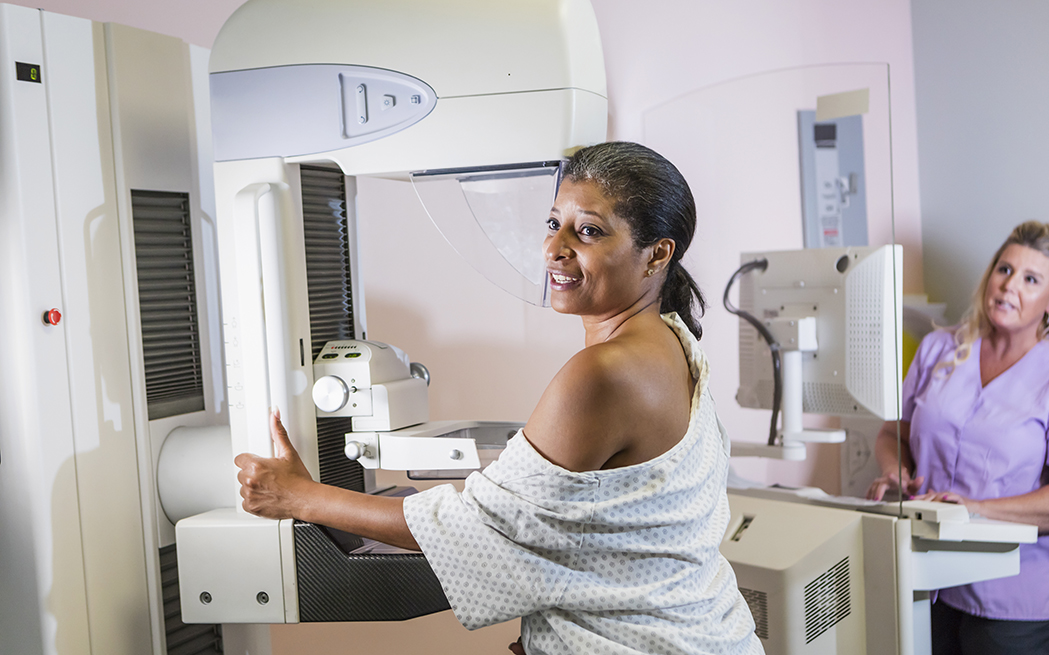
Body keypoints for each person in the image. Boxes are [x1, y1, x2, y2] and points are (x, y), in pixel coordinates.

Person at [236, 142, 763, 655]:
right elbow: (617, 539)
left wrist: (297, 496)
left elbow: (478, 530)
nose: (556, 249)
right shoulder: (673, 342)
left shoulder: (604, 373)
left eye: (589, 231)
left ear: (657, 254)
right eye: (554, 223)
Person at [866, 221, 1049, 655]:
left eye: (1030, 279)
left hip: (1014, 597)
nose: (1008, 286)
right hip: (928, 578)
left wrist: (976, 511)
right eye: (1004, 269)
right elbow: (892, 435)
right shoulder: (940, 349)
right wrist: (895, 471)